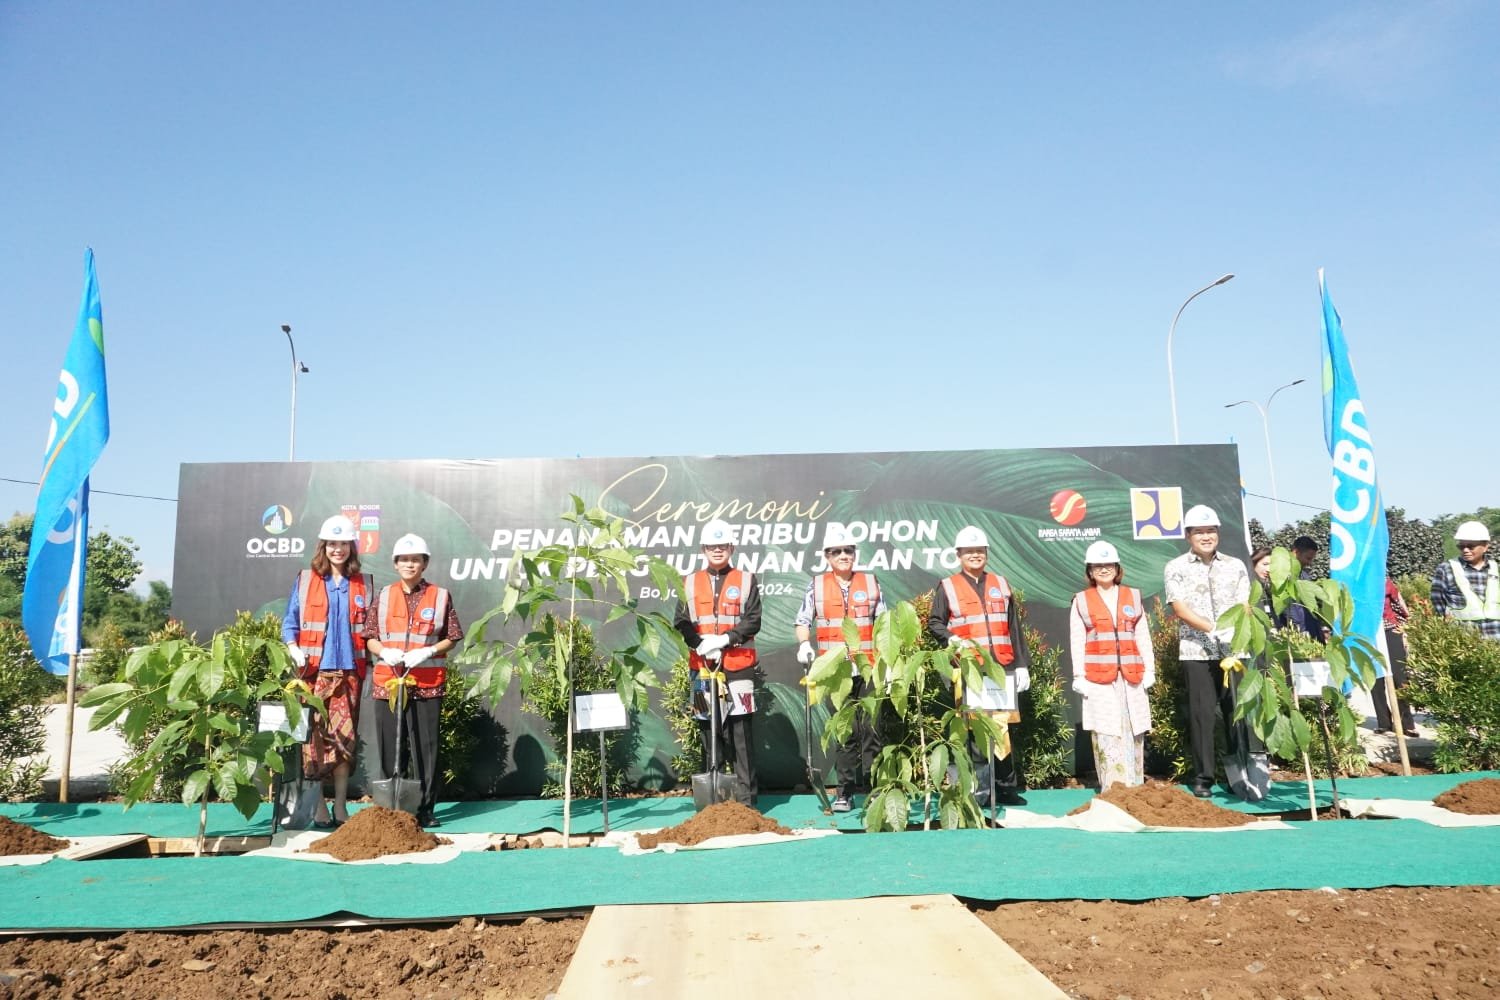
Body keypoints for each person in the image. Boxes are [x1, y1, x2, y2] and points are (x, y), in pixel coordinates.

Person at [926, 525, 1031, 807]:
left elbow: (1014, 627)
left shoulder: (1001, 583)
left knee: (1004, 728)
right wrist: (953, 640)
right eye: (969, 551)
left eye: (980, 551)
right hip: (971, 670)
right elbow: (934, 622)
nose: (975, 555)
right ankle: (982, 791)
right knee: (975, 730)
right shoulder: (947, 586)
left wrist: (1022, 664)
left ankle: (1007, 788)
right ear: (959, 555)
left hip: (1002, 667)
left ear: (986, 553)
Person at [363, 533, 463, 828]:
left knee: (425, 748)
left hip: (426, 683)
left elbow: (453, 637)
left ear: (424, 563)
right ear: (395, 564)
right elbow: (369, 638)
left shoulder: (440, 595)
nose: (410, 564)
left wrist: (429, 650)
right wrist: (385, 651)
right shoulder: (383, 596)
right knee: (389, 748)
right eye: (404, 559)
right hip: (389, 683)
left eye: (415, 559)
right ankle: (391, 808)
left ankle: (425, 809)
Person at [281, 515, 374, 828]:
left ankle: (341, 807)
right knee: (314, 741)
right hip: (313, 675)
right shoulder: (306, 580)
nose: (338, 549)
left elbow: (372, 630)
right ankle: (319, 807)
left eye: (343, 543)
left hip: (350, 673)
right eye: (332, 544)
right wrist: (293, 647)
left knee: (344, 741)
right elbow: (289, 623)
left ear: (351, 547)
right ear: (323, 546)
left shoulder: (363, 583)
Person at [794, 525, 886, 812]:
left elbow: (883, 626)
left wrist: (889, 664)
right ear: (827, 556)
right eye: (837, 552)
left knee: (873, 730)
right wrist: (803, 644)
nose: (844, 556)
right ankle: (845, 792)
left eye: (848, 550)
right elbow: (802, 621)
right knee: (845, 733)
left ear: (855, 554)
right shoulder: (816, 585)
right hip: (836, 672)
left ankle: (875, 790)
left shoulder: (871, 583)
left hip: (869, 668)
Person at [1163, 505, 1250, 798]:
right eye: (1199, 532)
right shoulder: (1176, 567)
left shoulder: (1236, 565)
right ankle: (1203, 778)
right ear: (1188, 536)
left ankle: (1240, 774)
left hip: (1235, 651)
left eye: (1210, 531)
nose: (1206, 536)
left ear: (1218, 534)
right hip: (1196, 652)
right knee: (1202, 715)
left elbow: (1245, 603)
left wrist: (1233, 629)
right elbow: (1179, 607)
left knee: (1237, 713)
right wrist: (1211, 627)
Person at [674, 518, 762, 802]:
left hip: (739, 668)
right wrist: (700, 644)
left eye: (722, 545)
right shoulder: (687, 582)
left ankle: (746, 799)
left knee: (740, 731)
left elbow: (753, 620)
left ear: (731, 547)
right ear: (703, 548)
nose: (717, 550)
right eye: (712, 546)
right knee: (705, 725)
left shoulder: (747, 579)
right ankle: (716, 798)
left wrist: (725, 640)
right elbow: (681, 621)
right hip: (700, 669)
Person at [1068, 540, 1153, 790]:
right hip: (1099, 678)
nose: (1103, 569)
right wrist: (1078, 675)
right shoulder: (1081, 601)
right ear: (1090, 571)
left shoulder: (1133, 596)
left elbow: (1142, 635)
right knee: (1107, 731)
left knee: (1133, 729)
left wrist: (1150, 669)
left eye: (1108, 565)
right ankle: (1113, 788)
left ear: (1117, 568)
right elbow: (1077, 638)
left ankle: (1135, 785)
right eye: (1097, 566)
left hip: (1131, 676)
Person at [1430, 521, 1500, 640]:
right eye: (1461, 546)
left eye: (1471, 546)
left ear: (1485, 547)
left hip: (1495, 636)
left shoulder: (1496, 568)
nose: (1465, 550)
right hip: (1463, 640)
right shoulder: (1446, 568)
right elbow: (1437, 601)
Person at [1374, 576, 1418, 737]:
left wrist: (1404, 628)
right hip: (1369, 633)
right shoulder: (1356, 582)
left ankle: (1406, 723)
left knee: (1400, 676)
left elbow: (1400, 605)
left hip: (1390, 630)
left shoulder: (1385, 581)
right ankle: (1383, 722)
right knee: (1375, 678)